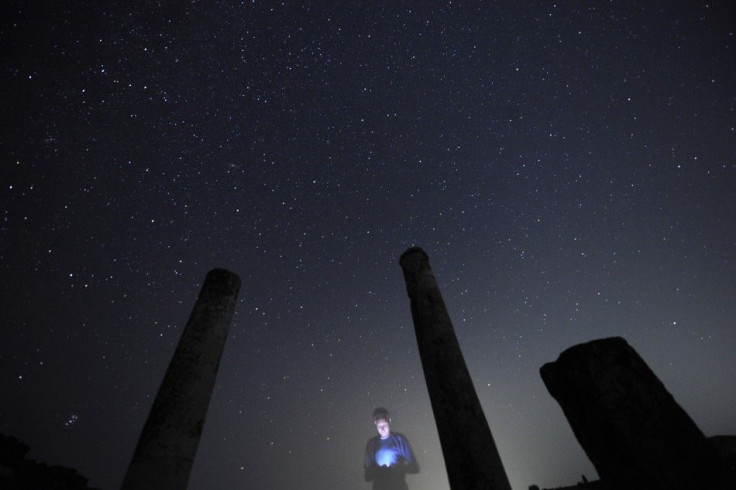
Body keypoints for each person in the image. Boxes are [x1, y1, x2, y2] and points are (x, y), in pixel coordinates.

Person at [364, 407, 419, 490]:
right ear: (375, 425)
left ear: (389, 422)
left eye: (384, 425)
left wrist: (397, 469)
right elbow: (367, 476)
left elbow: (415, 468)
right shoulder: (372, 444)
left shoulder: (399, 440)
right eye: (379, 426)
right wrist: (379, 471)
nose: (382, 429)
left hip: (398, 486)